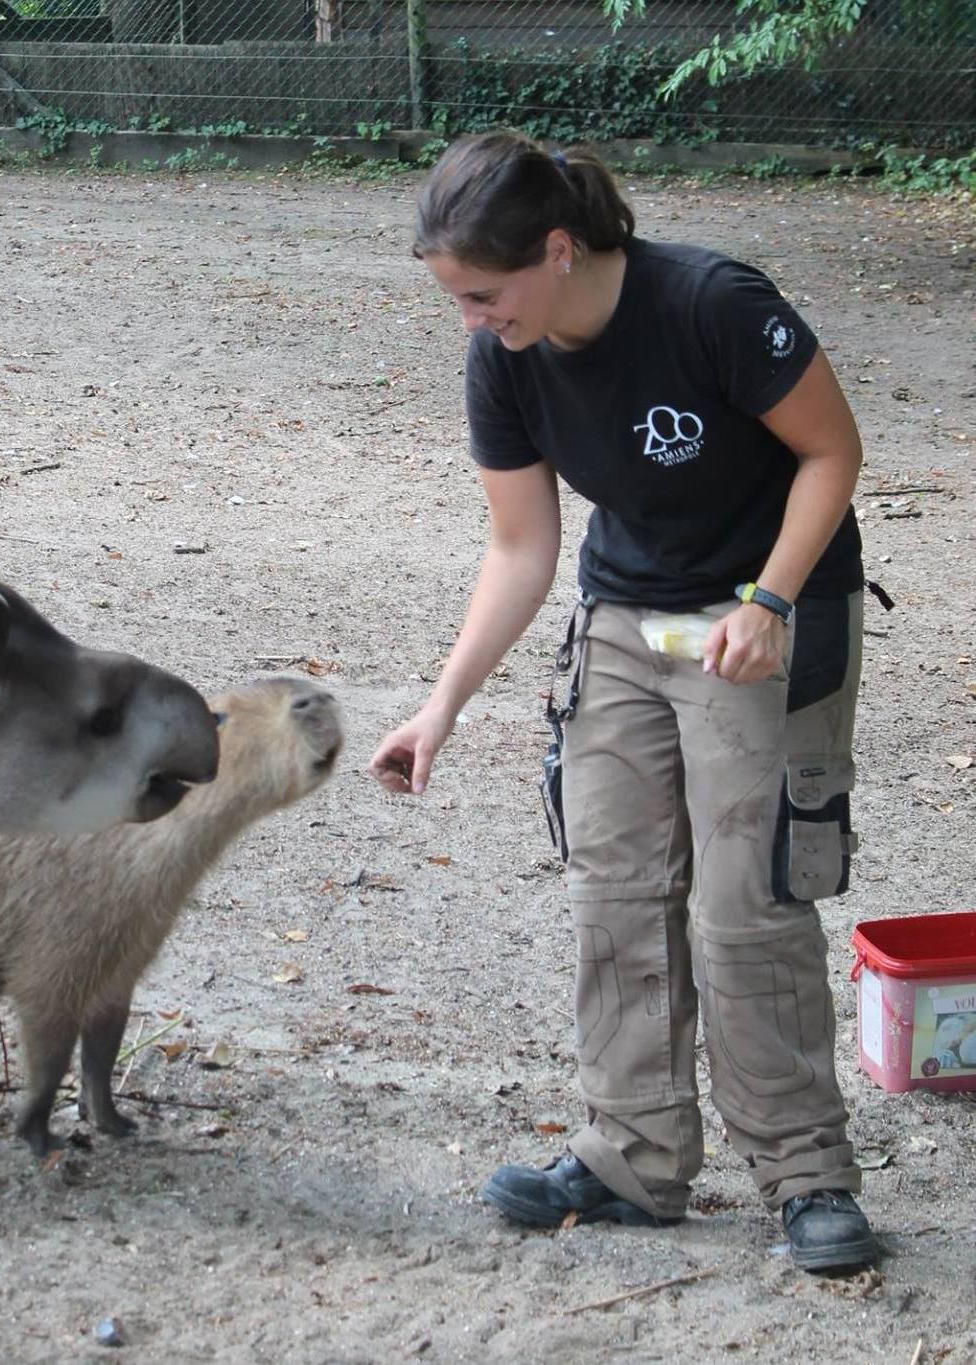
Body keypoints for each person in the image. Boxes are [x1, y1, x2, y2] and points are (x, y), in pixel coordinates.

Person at [369, 131, 878, 1273]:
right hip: (632, 618)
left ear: (558, 249)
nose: (469, 318)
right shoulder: (508, 351)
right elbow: (519, 548)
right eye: (454, 296)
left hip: (758, 615)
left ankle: (805, 1173)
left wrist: (771, 600)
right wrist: (441, 705)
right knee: (617, 885)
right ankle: (631, 1161)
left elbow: (831, 453)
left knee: (747, 902)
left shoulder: (710, 305)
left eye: (481, 293)